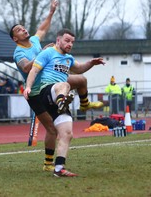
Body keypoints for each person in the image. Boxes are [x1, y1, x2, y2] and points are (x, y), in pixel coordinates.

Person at [10, 0, 103, 172]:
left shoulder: (35, 42)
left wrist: (52, 11)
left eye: (23, 27)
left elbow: (42, 28)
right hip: (37, 92)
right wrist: (42, 55)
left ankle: (83, 104)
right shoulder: (19, 51)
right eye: (18, 30)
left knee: (80, 79)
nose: (23, 29)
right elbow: (25, 67)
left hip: (54, 84)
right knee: (52, 129)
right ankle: (48, 163)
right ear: (15, 38)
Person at [23, 29, 105, 177]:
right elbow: (33, 71)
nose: (70, 44)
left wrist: (91, 63)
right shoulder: (47, 53)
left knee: (66, 133)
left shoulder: (68, 58)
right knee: (65, 85)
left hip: (58, 97)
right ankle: (62, 100)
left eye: (72, 42)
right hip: (47, 91)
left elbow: (79, 69)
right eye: (67, 41)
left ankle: (59, 168)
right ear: (58, 40)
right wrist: (28, 87)